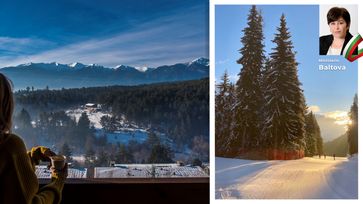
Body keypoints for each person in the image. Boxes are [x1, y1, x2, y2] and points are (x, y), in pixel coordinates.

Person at [0, 73, 68, 204]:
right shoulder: (9, 145)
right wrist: (58, 181)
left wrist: (31, 157)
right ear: (5, 106)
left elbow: (8, 171)